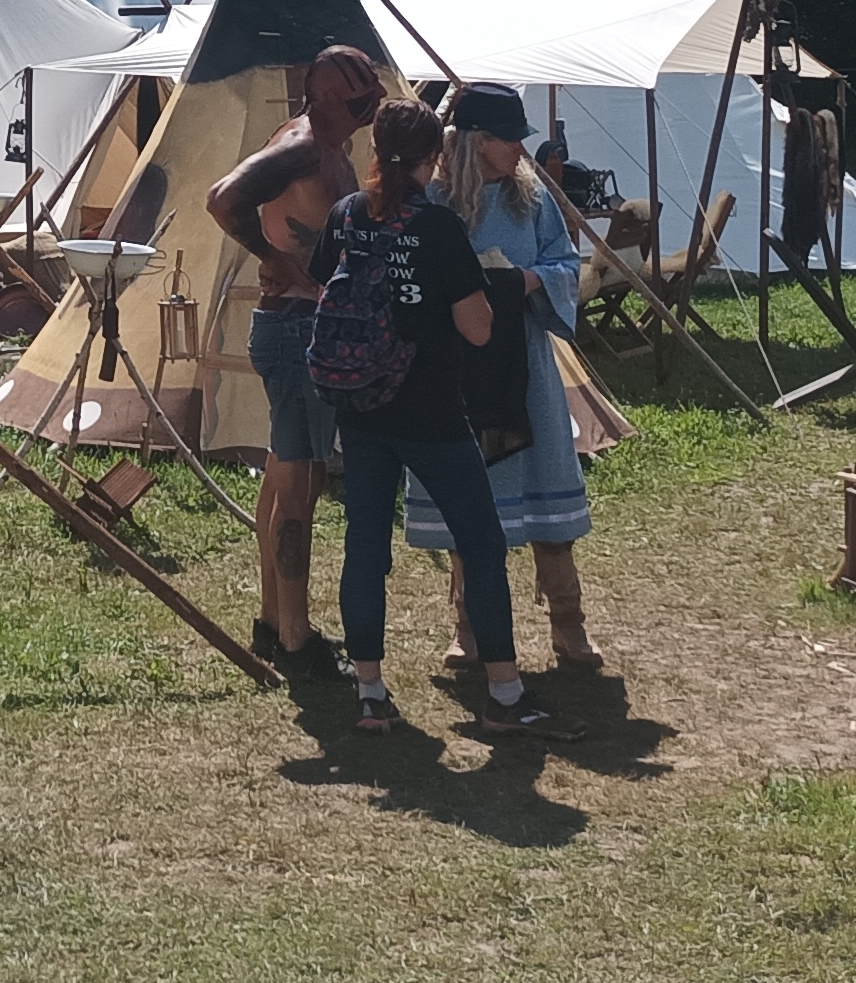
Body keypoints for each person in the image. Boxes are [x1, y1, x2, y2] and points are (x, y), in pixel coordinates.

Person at [313, 99, 562, 738]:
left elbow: (323, 286)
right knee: (482, 543)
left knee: (365, 547)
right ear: (435, 156)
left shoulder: (347, 215)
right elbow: (477, 329)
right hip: (431, 410)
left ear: (376, 151)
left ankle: (371, 692)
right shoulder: (437, 226)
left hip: (361, 407)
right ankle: (504, 694)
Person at [403, 81, 602, 674]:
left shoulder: (532, 199)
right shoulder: (433, 201)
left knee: (547, 491)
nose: (520, 149)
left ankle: (568, 626)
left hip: (527, 364)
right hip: (457, 368)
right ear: (476, 141)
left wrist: (527, 281)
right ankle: (469, 630)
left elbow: (566, 262)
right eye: (509, 138)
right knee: (469, 501)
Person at [204, 42, 384, 676]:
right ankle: (297, 638)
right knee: (302, 484)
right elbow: (224, 197)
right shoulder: (303, 145)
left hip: (302, 325)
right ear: (331, 97)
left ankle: (273, 619)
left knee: (284, 475)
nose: (372, 105)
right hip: (296, 328)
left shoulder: (327, 147)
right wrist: (274, 259)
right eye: (361, 96)